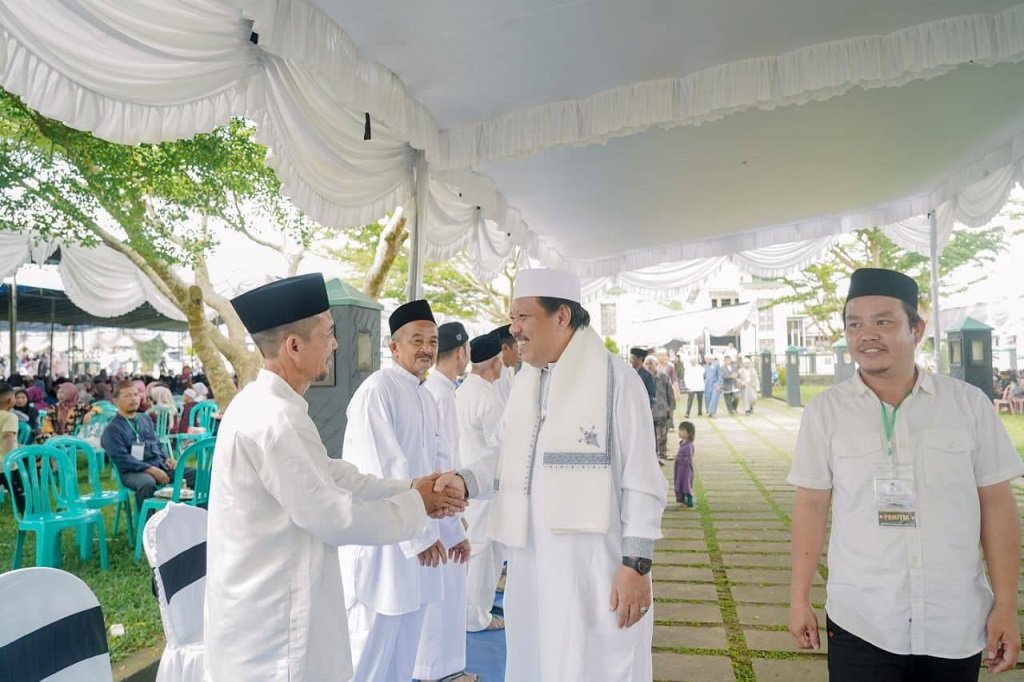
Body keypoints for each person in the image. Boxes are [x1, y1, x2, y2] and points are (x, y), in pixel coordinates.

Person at [204, 274, 466, 681]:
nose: (336, 344)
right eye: (328, 333)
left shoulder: (275, 407)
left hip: (276, 604)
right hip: (274, 619)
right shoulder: (275, 419)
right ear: (293, 346)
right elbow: (333, 516)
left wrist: (409, 488)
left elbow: (331, 473)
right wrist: (419, 506)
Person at [787, 268, 1024, 681]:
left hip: (953, 618)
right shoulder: (825, 412)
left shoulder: (967, 406)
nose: (867, 334)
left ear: (916, 329)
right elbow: (810, 505)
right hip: (861, 617)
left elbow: (997, 505)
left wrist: (1006, 604)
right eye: (854, 324)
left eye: (884, 321)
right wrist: (798, 598)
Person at [453, 268, 667, 681]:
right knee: (537, 662)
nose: (513, 329)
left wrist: (636, 565)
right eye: (512, 318)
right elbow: (500, 453)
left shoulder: (617, 381)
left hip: (596, 570)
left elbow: (642, 480)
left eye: (522, 317)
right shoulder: (525, 384)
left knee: (595, 666)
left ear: (562, 316)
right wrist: (465, 481)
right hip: (531, 568)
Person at [339, 299, 455, 682]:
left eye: (433, 341)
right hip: (387, 543)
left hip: (418, 538)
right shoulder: (378, 391)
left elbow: (436, 470)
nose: (427, 348)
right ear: (394, 347)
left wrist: (451, 530)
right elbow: (385, 469)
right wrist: (420, 537)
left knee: (406, 646)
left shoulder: (424, 395)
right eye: (417, 340)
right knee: (372, 646)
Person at [416, 321, 476, 682]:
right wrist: (452, 518)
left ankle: (441, 670)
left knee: (447, 593)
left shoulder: (439, 391)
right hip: (438, 508)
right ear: (462, 351)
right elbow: (437, 463)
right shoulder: (436, 394)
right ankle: (438, 672)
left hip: (445, 506)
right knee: (442, 594)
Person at [456, 332, 506, 634]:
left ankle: (471, 611)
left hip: (466, 481)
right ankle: (476, 616)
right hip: (483, 485)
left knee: (473, 548)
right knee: (482, 551)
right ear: (495, 363)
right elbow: (499, 447)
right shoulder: (488, 397)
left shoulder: (463, 391)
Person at [101, 380, 195, 510]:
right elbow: (122, 459)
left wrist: (166, 458)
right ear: (116, 401)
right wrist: (150, 469)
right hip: (134, 472)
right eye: (127, 396)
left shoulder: (144, 419)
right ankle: (148, 525)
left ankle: (201, 518)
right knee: (147, 483)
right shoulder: (112, 429)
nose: (133, 399)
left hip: (159, 465)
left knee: (198, 475)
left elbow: (156, 442)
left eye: (135, 394)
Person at [644, 355, 676, 463]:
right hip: (648, 411)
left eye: (651, 363)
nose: (649, 366)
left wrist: (671, 408)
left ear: (656, 365)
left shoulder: (663, 376)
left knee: (662, 435)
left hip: (662, 410)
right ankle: (653, 456)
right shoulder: (642, 377)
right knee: (650, 436)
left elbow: (670, 393)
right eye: (647, 363)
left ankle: (662, 454)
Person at [0, 383, 25, 512]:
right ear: (10, 400)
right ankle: (28, 516)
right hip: (6, 465)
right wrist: (10, 460)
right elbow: (7, 437)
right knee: (20, 493)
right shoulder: (10, 417)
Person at [491, 323, 518, 406]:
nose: (520, 353)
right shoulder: (498, 378)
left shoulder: (504, 374)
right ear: (505, 348)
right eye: (517, 347)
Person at [674, 421, 695, 508]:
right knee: (679, 483)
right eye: (680, 430)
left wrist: (679, 458)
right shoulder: (682, 443)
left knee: (686, 484)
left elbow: (688, 459)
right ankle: (681, 499)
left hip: (685, 470)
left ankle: (689, 501)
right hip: (679, 468)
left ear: (689, 433)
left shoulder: (689, 445)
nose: (680, 432)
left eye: (682, 430)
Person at [703, 353, 721, 418]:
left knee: (714, 398)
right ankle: (709, 412)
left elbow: (720, 375)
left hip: (715, 384)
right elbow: (703, 375)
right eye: (706, 359)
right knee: (707, 397)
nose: (707, 360)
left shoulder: (716, 365)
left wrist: (718, 384)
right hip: (707, 384)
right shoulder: (705, 366)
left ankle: (712, 412)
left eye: (709, 359)